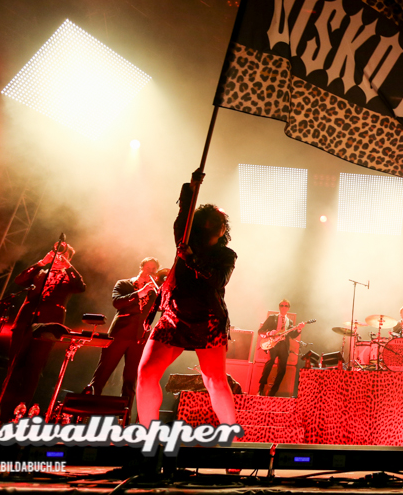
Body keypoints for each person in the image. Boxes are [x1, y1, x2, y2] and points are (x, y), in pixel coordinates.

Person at [136, 180, 238, 426]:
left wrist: (191, 260)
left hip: (208, 319)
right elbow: (184, 213)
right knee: (146, 374)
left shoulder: (226, 255)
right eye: (214, 218)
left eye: (222, 221)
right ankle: (148, 438)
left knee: (214, 380)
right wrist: (190, 188)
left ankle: (232, 441)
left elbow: (217, 280)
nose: (220, 223)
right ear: (203, 223)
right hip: (174, 316)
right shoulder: (184, 240)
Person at [0, 241, 86, 422]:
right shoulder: (41, 272)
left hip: (49, 325)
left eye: (62, 254)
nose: (57, 256)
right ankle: (3, 414)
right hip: (25, 321)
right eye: (55, 252)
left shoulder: (69, 276)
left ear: (68, 259)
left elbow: (80, 287)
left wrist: (68, 266)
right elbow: (19, 280)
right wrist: (41, 262)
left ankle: (20, 415)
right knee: (14, 367)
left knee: (34, 369)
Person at [84, 257, 162, 412]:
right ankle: (87, 410)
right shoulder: (124, 284)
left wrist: (163, 291)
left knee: (130, 380)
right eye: (148, 268)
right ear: (141, 267)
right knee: (102, 373)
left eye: (154, 270)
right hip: (120, 333)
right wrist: (140, 292)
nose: (151, 272)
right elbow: (117, 303)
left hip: (139, 337)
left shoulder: (155, 291)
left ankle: (124, 417)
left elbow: (162, 308)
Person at [258, 299, 307, 396]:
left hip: (284, 346)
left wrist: (299, 329)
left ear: (288, 308)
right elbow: (261, 331)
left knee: (282, 369)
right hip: (272, 344)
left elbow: (292, 335)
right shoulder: (272, 318)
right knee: (269, 363)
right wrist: (269, 333)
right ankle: (261, 388)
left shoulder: (290, 321)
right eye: (281, 305)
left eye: (285, 306)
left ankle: (273, 391)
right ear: (279, 307)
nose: (283, 307)